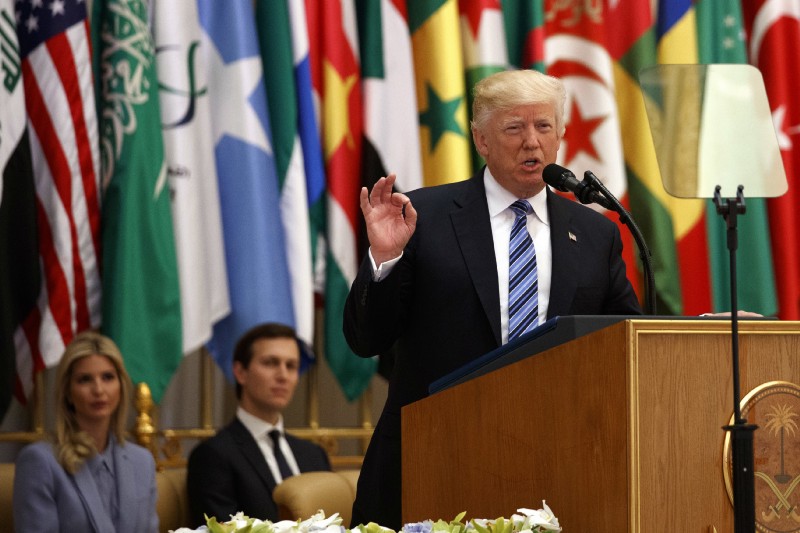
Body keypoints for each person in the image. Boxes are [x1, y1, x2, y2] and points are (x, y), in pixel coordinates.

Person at [343, 69, 642, 529]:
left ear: (561, 136)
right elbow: (367, 339)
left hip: (557, 467)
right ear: (482, 140)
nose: (531, 142)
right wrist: (384, 259)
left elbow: (625, 343)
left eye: (543, 126)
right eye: (513, 128)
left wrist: (697, 328)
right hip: (435, 459)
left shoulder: (595, 231)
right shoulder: (423, 217)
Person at [13, 331, 159, 533]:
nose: (98, 390)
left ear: (121, 387)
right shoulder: (40, 461)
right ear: (68, 392)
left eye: (108, 377)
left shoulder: (142, 462)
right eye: (85, 380)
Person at [187, 323, 331, 526]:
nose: (283, 376)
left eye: (291, 366)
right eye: (271, 363)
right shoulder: (213, 456)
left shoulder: (314, 455)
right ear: (240, 372)